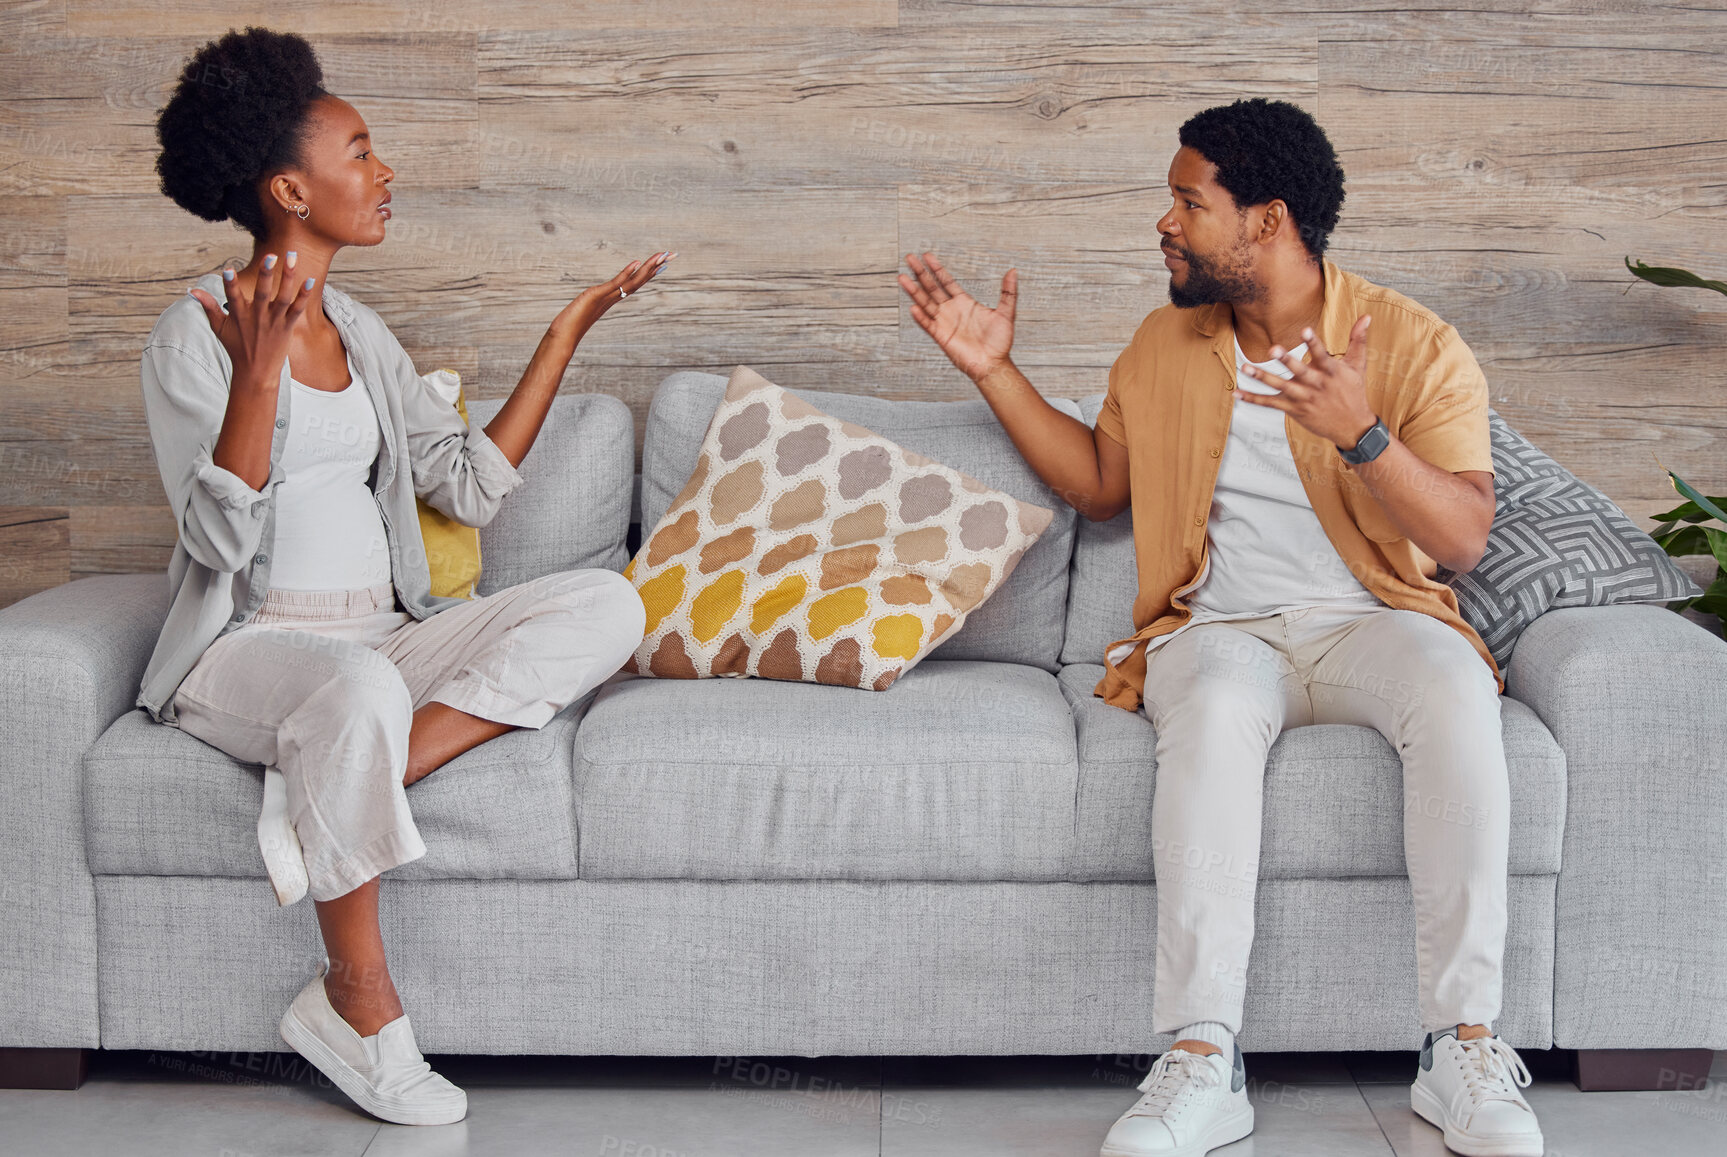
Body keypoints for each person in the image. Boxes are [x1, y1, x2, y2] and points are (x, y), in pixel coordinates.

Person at [898, 98, 1543, 1157]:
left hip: (1374, 618)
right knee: (1205, 706)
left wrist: (1362, 434)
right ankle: (1203, 1055)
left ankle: (1459, 1044)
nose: (1164, 222)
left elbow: (1464, 536)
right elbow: (1103, 488)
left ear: (1264, 221)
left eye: (1186, 202)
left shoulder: (1413, 341)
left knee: (1455, 689)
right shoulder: (1163, 344)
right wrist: (992, 372)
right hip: (1222, 627)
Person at [139, 27, 656, 1126]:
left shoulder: (365, 333)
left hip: (383, 637)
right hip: (247, 650)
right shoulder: (194, 336)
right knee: (356, 693)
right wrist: (259, 377)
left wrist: (567, 332)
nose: (385, 175)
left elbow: (463, 486)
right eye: (361, 152)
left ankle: (327, 788)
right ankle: (358, 1008)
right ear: (290, 187)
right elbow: (216, 546)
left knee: (607, 600)